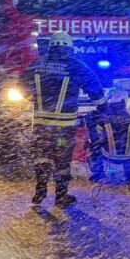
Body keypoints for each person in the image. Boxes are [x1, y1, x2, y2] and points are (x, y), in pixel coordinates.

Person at [21, 31, 106, 207]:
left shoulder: (37, 64)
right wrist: (103, 106)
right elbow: (94, 89)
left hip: (41, 124)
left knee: (42, 156)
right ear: (70, 47)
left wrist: (36, 101)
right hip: (64, 126)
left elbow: (21, 88)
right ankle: (61, 196)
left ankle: (40, 191)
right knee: (62, 160)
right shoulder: (75, 65)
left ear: (51, 46)